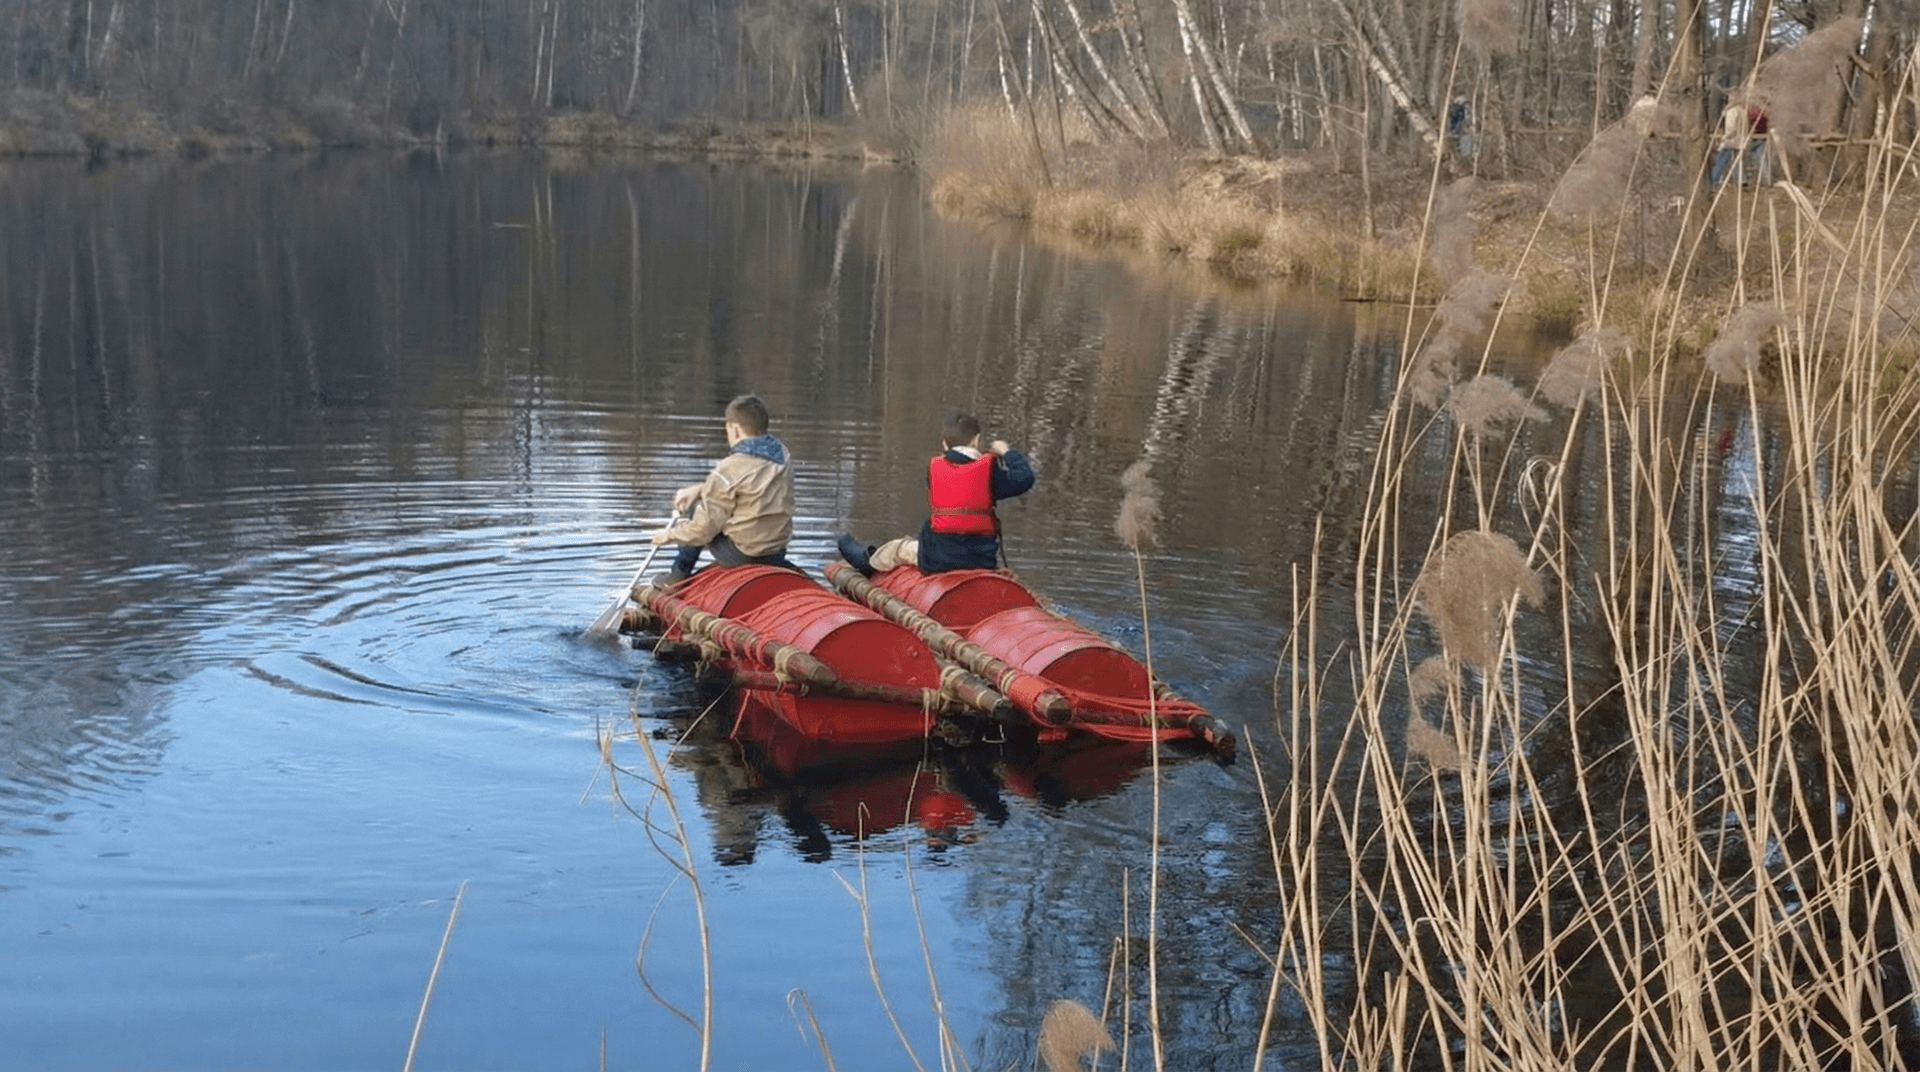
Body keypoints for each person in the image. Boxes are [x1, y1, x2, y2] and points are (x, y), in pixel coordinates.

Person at [837, 411, 1036, 576]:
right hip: (981, 561)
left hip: (938, 560)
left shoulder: (934, 469)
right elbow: (1025, 479)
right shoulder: (991, 471)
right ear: (976, 440)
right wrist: (1007, 452)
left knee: (899, 548)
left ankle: (868, 562)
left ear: (944, 444)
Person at [648, 394, 794, 585]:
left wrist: (667, 535)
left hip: (743, 554)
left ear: (735, 429)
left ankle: (678, 575)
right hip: (777, 552)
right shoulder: (783, 454)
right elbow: (752, 485)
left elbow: (703, 531)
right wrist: (700, 489)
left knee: (697, 509)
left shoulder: (728, 468)